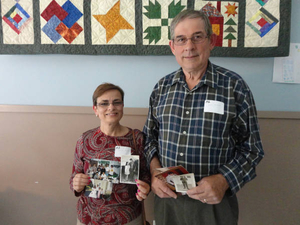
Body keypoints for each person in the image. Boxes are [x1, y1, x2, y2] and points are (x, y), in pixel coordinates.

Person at [143, 9, 264, 225]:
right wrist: (154, 172)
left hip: (214, 207)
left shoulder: (234, 87)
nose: (189, 46)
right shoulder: (161, 88)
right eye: (181, 39)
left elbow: (252, 149)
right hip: (167, 204)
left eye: (197, 37)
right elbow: (148, 138)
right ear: (173, 47)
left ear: (211, 41)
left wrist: (224, 180)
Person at [70, 83, 151, 225]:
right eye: (104, 103)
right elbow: (74, 178)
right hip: (89, 217)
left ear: (123, 106)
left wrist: (145, 187)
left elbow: (145, 174)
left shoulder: (137, 138)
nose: (111, 107)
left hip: (128, 217)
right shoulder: (85, 140)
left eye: (116, 102)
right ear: (95, 109)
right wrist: (76, 183)